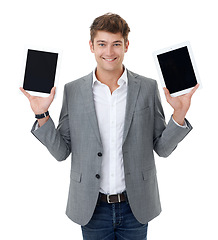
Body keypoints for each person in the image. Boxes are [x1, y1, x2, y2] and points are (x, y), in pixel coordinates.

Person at [20, 13, 199, 240]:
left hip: (136, 206)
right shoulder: (73, 91)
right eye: (102, 44)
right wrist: (41, 113)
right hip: (91, 208)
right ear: (91, 46)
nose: (109, 52)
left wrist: (179, 115)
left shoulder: (147, 87)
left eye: (116, 44)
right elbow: (61, 152)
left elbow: (162, 148)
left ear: (126, 45)